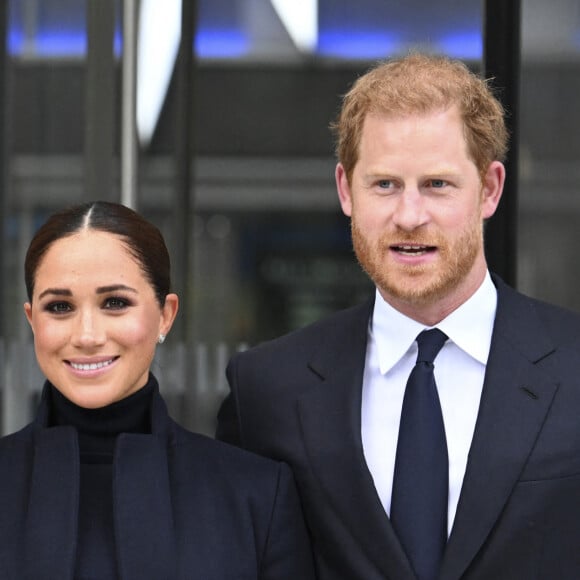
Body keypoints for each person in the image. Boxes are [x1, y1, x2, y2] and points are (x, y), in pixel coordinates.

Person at [216, 52, 580, 580]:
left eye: (437, 184)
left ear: (491, 189)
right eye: (384, 184)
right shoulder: (268, 389)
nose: (410, 216)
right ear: (346, 189)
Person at [0, 201, 316, 580]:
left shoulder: (257, 497)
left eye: (115, 303)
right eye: (60, 306)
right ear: (32, 319)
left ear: (166, 315)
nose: (86, 335)